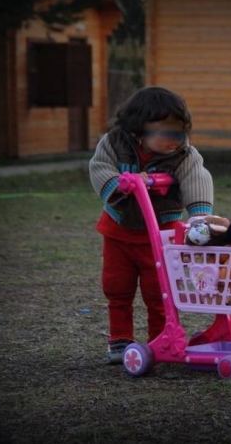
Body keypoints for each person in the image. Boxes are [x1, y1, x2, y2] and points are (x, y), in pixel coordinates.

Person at [89, 86, 214, 364]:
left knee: (160, 291)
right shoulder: (113, 143)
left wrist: (199, 216)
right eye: (166, 132)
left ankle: (162, 339)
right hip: (119, 231)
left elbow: (197, 178)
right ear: (138, 131)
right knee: (117, 287)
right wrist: (118, 184)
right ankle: (120, 338)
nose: (175, 139)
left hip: (162, 235)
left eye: (179, 132)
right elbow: (99, 167)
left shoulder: (184, 155)